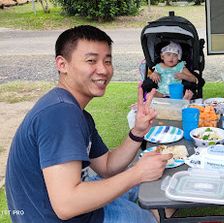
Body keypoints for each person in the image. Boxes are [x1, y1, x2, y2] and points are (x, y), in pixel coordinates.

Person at [5, 25, 172, 223]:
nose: (103, 70)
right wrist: (137, 173)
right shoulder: (60, 113)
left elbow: (107, 166)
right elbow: (67, 205)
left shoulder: (76, 112)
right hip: (62, 217)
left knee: (157, 183)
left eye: (107, 61)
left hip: (79, 204)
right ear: (62, 64)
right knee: (152, 207)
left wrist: (138, 131)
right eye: (91, 60)